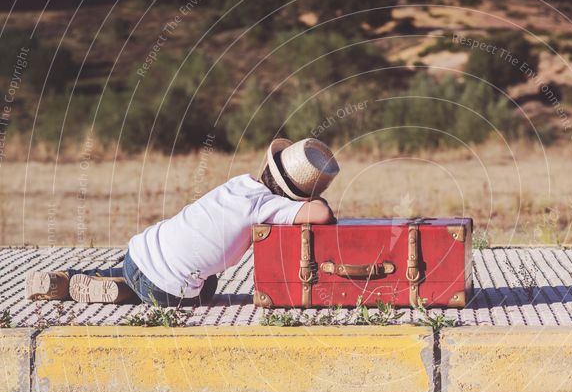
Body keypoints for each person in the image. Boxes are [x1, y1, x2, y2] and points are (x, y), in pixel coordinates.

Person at [25, 138, 339, 306]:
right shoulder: (268, 207)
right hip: (165, 290)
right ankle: (122, 291)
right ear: (296, 195)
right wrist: (315, 200)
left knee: (147, 270)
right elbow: (322, 214)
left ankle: (67, 279)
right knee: (207, 285)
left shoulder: (239, 183)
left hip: (139, 252)